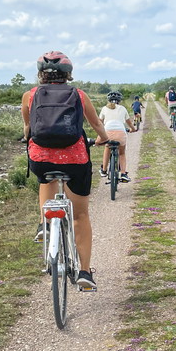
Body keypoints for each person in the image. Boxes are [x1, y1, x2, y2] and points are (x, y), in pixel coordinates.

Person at [22, 50, 108, 290]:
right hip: (75, 159)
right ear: (68, 74)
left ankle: (43, 223)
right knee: (80, 216)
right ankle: (85, 272)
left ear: (41, 73)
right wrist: (103, 139)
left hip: (41, 158)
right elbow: (95, 123)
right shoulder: (79, 95)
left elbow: (28, 126)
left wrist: (27, 139)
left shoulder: (30, 95)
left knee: (44, 177)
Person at [100, 90, 135, 183]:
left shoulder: (104, 108)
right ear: (119, 100)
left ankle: (103, 170)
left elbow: (99, 122)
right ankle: (123, 174)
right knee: (122, 153)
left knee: (107, 148)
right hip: (120, 133)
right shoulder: (122, 108)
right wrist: (133, 129)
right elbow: (129, 122)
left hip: (107, 133)